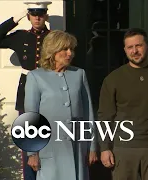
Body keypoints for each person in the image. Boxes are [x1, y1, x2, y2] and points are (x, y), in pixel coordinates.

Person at [98, 28, 148, 180]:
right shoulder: (113, 79)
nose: (134, 51)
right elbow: (105, 116)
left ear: (147, 46)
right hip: (123, 150)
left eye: (139, 46)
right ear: (125, 50)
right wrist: (104, 148)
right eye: (130, 47)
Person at [0, 1, 52, 179]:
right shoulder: (20, 36)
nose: (37, 17)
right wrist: (16, 18)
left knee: (51, 138)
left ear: (46, 15)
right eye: (33, 13)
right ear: (29, 15)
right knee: (29, 137)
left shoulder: (54, 37)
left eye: (41, 13)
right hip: (26, 88)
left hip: (49, 89)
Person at [24, 30, 98, 180]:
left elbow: (88, 113)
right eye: (65, 49)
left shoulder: (79, 74)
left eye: (71, 49)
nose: (70, 53)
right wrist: (32, 153)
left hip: (77, 147)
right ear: (53, 50)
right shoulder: (36, 77)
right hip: (49, 148)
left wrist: (92, 147)